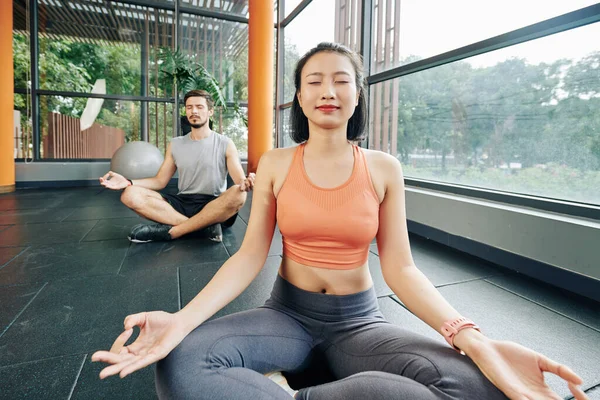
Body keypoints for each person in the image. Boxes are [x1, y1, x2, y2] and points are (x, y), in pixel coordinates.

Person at [92, 43, 589, 400]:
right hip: (285, 317)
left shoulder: (384, 168)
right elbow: (248, 258)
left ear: (356, 97)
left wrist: (474, 339)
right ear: (300, 98)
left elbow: (402, 269)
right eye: (314, 81)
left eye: (341, 80)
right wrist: (181, 321)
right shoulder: (277, 164)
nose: (327, 90)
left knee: (478, 382)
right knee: (181, 362)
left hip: (358, 323)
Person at [99, 90, 255, 243]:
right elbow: (159, 181)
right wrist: (128, 182)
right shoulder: (176, 144)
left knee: (239, 193)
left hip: (214, 204)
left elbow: (239, 180)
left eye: (199, 107)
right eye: (189, 107)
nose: (194, 111)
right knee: (129, 194)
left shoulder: (225, 143)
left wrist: (246, 181)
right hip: (183, 202)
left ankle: (174, 232)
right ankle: (203, 228)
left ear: (210, 112)